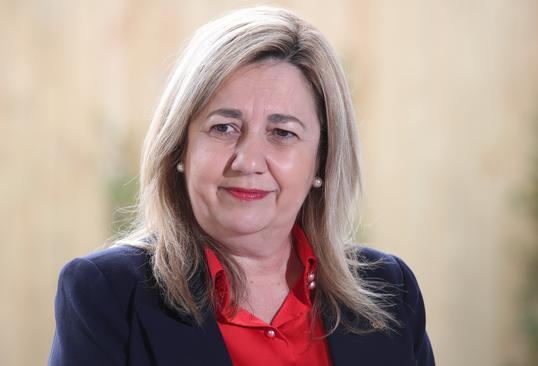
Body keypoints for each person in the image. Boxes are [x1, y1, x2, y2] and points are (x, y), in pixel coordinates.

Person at [48, 6, 434, 366]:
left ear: (322, 158)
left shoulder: (390, 289)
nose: (247, 161)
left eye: (282, 132)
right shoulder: (107, 293)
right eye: (223, 128)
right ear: (180, 147)